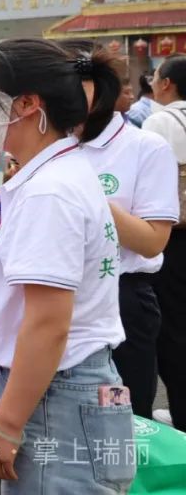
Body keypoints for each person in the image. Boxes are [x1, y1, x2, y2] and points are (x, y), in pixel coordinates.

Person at [0, 39, 135, 492]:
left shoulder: (49, 192)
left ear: (27, 105)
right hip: (74, 388)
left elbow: (47, 325)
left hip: (57, 399)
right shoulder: (59, 170)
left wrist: (7, 424)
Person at [59, 41, 178, 421]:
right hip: (56, 293)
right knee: (60, 413)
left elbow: (152, 241)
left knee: (122, 417)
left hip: (120, 297)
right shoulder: (54, 144)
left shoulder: (146, 147)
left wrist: (89, 197)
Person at [142, 54, 186, 429]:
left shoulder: (160, 120)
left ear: (167, 83)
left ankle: (180, 413)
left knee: (173, 329)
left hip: (173, 236)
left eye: (154, 77)